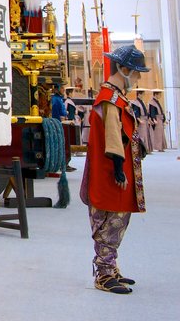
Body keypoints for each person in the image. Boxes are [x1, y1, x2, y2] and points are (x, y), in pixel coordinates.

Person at [80, 44, 148, 294]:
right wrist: (118, 166)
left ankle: (110, 267)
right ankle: (104, 273)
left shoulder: (114, 97)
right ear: (124, 69)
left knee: (116, 219)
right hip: (110, 172)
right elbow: (111, 134)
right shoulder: (110, 99)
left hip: (113, 169)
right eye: (137, 72)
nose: (138, 77)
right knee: (112, 220)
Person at [130, 89, 152, 156]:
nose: (143, 95)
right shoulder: (136, 103)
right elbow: (136, 112)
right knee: (142, 135)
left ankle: (147, 149)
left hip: (145, 120)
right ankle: (142, 150)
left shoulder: (142, 102)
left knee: (146, 135)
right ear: (139, 94)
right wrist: (139, 120)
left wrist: (148, 119)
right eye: (142, 94)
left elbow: (146, 112)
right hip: (141, 120)